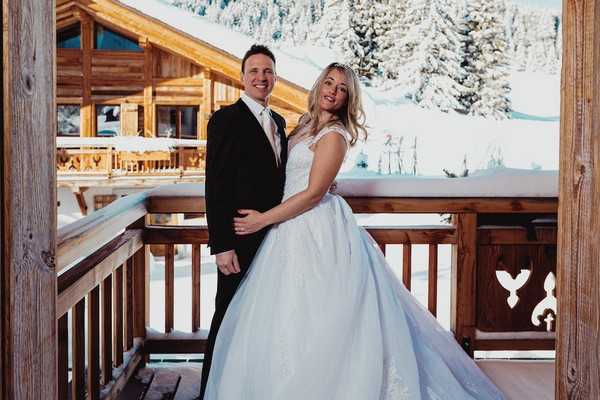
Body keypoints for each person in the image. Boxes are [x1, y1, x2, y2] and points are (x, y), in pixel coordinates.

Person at [203, 62, 505, 399]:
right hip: (286, 228)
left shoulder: (335, 134)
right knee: (284, 315)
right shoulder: (303, 125)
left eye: (342, 88)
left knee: (322, 312)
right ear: (318, 86)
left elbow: (314, 193)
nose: (333, 90)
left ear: (348, 98)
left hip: (314, 228)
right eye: (329, 82)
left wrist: (263, 219)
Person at [200, 44, 288, 399]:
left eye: (267, 71)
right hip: (239, 237)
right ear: (242, 77)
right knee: (228, 314)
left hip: (276, 236)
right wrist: (222, 245)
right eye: (254, 71)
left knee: (263, 317)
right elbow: (215, 184)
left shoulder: (279, 122)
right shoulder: (225, 119)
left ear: (275, 77)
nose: (261, 77)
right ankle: (211, 389)